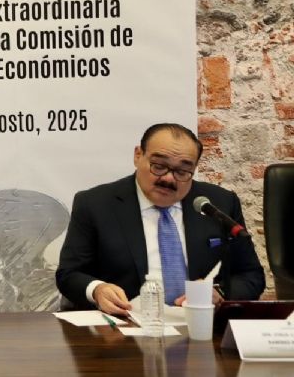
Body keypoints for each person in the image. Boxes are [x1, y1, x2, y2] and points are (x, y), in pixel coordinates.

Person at [56, 123, 265, 315]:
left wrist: (219, 293)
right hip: (124, 327)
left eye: (182, 171)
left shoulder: (218, 203)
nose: (168, 178)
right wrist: (97, 290)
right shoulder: (95, 204)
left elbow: (251, 275)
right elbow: (69, 274)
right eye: (158, 166)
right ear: (138, 155)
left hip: (200, 325)